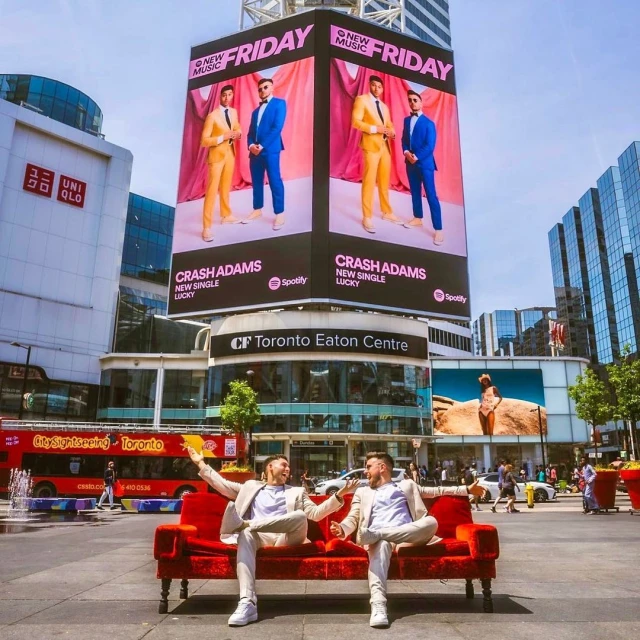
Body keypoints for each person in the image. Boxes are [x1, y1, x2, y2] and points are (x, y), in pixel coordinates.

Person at [187, 447, 358, 626]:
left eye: (288, 467)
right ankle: (247, 602)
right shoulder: (250, 487)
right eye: (284, 465)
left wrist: (340, 494)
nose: (288, 469)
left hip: (286, 538)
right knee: (245, 534)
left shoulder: (297, 491)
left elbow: (315, 514)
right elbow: (221, 484)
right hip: (259, 537)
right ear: (270, 467)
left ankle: (245, 524)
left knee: (300, 516)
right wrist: (200, 463)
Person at [329, 451, 486, 628]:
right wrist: (342, 528)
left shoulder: (406, 485)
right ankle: (378, 605)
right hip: (380, 542)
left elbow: (437, 491)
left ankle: (379, 533)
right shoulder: (363, 492)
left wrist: (467, 490)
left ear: (382, 467)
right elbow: (353, 517)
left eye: (368, 467)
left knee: (431, 522)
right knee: (381, 544)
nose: (365, 471)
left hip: (408, 537)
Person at [351, 75, 400, 234]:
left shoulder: (384, 107)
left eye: (379, 87)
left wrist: (392, 132)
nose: (376, 89)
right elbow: (356, 122)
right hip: (371, 146)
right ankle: (367, 216)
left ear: (382, 89)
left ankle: (387, 212)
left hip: (385, 146)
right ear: (369, 85)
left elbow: (389, 124)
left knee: (384, 181)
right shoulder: (362, 100)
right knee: (369, 181)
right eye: (374, 85)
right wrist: (375, 129)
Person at [200, 84, 242, 242]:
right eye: (224, 95)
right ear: (220, 96)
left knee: (225, 187)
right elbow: (204, 141)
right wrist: (222, 137)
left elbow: (237, 127)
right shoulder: (212, 116)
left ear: (232, 95)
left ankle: (226, 215)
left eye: (230, 94)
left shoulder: (234, 112)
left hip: (230, 153)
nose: (227, 98)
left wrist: (238, 133)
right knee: (211, 191)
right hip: (216, 156)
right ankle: (206, 227)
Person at [401, 90, 444, 245]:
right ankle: (417, 217)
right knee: (415, 192)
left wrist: (416, 156)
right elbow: (404, 140)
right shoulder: (406, 120)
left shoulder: (429, 123)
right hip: (410, 163)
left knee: (431, 195)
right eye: (410, 100)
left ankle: (438, 229)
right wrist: (406, 152)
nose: (412, 102)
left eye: (415, 100)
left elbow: (430, 146)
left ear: (421, 102)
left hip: (425, 164)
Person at [245, 78, 287, 230]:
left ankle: (279, 213)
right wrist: (251, 146)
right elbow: (250, 133)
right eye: (260, 89)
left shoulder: (280, 104)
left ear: (272, 88)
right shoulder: (255, 112)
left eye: (265, 87)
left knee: (274, 180)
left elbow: (277, 128)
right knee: (256, 181)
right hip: (255, 152)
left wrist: (261, 146)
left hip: (270, 150)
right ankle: (257, 209)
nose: (262, 90)